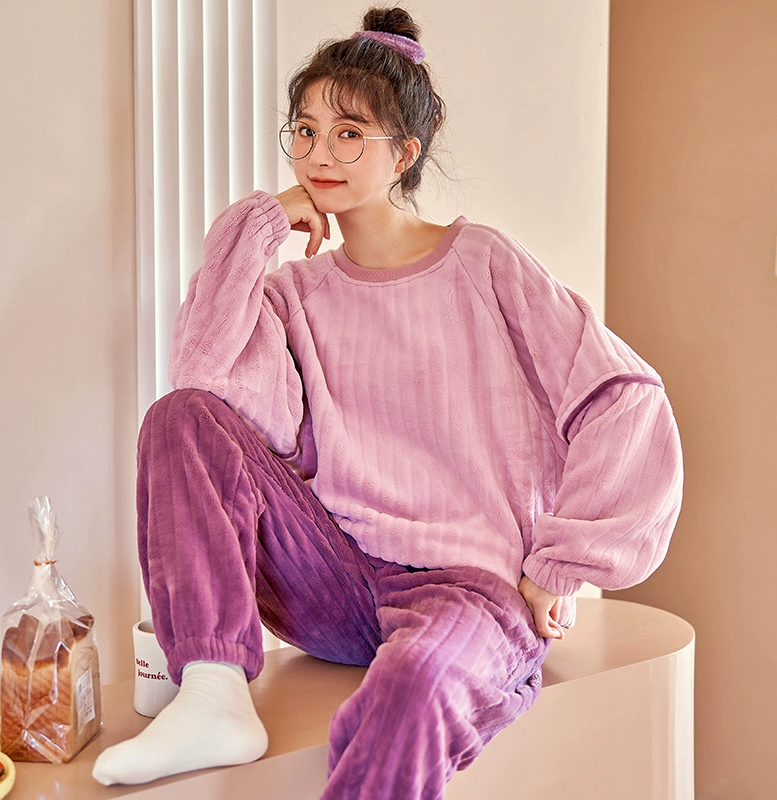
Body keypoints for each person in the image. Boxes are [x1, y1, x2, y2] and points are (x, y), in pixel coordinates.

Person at [92, 7, 683, 799]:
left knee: (416, 689)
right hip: (330, 583)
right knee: (179, 416)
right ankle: (212, 691)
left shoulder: (485, 264)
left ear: (405, 152)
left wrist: (559, 567)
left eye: (348, 134)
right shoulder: (293, 294)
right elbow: (203, 376)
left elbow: (624, 399)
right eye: (305, 131)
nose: (318, 154)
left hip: (462, 588)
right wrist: (260, 224)